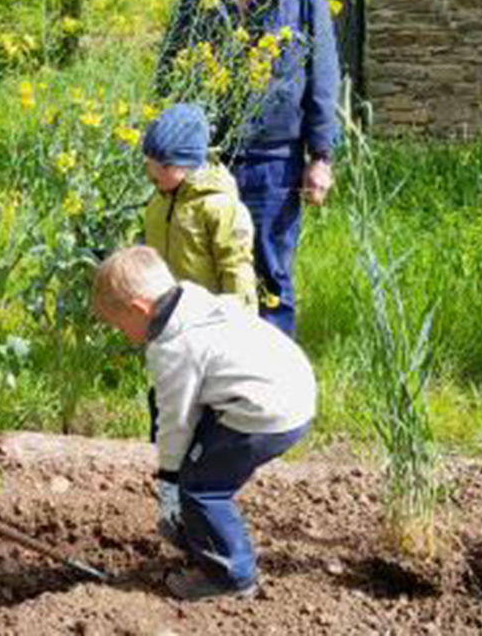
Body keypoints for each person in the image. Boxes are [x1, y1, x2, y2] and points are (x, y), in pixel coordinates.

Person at [155, 0, 340, 338]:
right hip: (206, 166)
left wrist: (321, 157)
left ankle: (274, 397)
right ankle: (218, 392)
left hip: (275, 165)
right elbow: (167, 85)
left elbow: (323, 82)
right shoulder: (197, 4)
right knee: (205, 278)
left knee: (269, 278)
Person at [91, 245, 315, 601]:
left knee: (201, 486)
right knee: (197, 467)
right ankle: (201, 539)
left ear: (138, 310)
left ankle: (231, 576)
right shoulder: (195, 300)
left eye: (121, 326)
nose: (123, 334)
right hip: (291, 388)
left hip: (266, 413)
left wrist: (169, 483)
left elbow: (176, 421)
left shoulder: (172, 348)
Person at [142, 103, 257, 311]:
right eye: (148, 162)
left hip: (207, 318)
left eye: (164, 165)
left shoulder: (218, 206)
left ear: (188, 164)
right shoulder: (159, 200)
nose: (152, 172)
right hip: (164, 315)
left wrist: (241, 325)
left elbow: (236, 270)